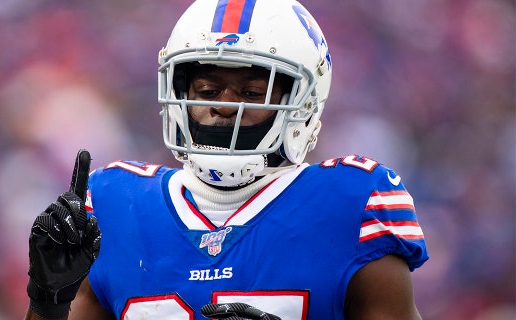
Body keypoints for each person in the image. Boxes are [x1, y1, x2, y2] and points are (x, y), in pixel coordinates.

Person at [24, 0, 429, 319]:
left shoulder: (352, 201)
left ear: (303, 103)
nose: (225, 107)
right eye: (207, 88)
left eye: (252, 93)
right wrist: (47, 301)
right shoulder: (112, 203)